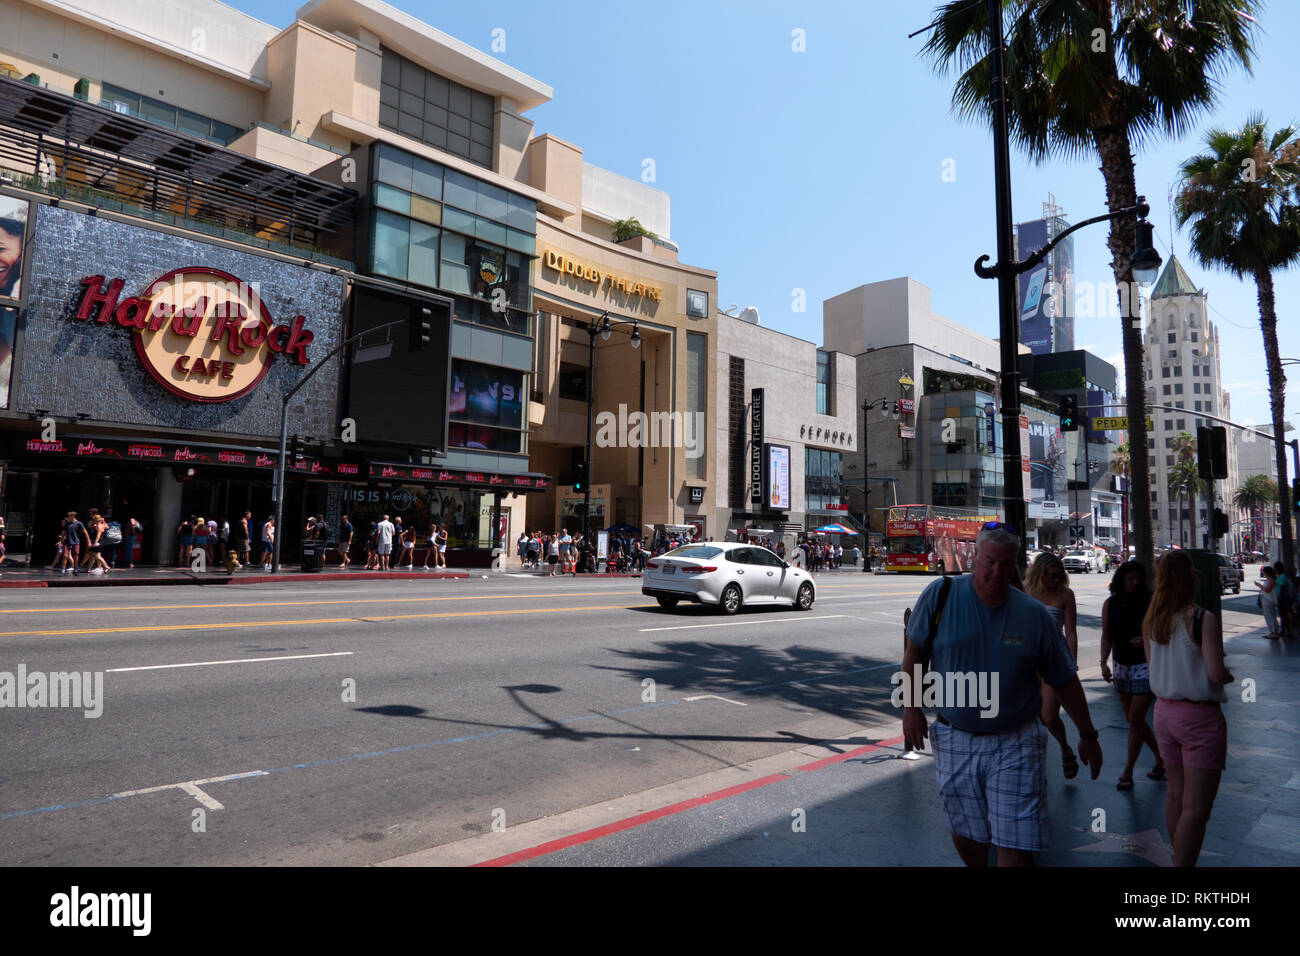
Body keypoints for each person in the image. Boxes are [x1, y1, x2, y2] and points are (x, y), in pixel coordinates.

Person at [901, 524, 1103, 866]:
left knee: (1015, 842)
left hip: (1016, 741)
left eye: (1005, 564)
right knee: (966, 832)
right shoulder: (940, 595)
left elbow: (1065, 679)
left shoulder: (1034, 616)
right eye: (990, 562)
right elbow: (915, 654)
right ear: (976, 558)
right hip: (955, 736)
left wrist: (1088, 734)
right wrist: (911, 708)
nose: (996, 572)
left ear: (1015, 567)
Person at [1143, 550, 1234, 867]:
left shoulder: (1152, 621)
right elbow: (1214, 673)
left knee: (1175, 796)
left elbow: (1154, 666)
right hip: (1199, 718)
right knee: (1197, 807)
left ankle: (1178, 858)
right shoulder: (1201, 619)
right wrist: (1226, 674)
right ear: (1189, 578)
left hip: (1164, 714)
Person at [1100, 561, 1165, 790]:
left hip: (1144, 666)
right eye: (1131, 579)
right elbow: (1107, 635)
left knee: (1136, 719)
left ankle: (1127, 772)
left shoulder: (1149, 604)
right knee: (1132, 720)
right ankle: (1161, 758)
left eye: (1139, 579)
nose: (1135, 583)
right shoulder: (1110, 604)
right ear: (1122, 580)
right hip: (1121, 665)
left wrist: (1146, 640)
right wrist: (1103, 662)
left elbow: (1159, 633)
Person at [1025, 552, 1082, 780]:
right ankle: (1035, 761)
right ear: (1040, 574)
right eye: (1052, 576)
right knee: (1031, 717)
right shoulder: (1025, 592)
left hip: (1054, 658)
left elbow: (1071, 632)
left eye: (1060, 576)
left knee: (1049, 716)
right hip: (1028, 659)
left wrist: (1072, 662)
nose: (1057, 580)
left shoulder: (1066, 595)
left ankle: (1065, 748)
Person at [1256, 566, 1281, 638]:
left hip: (1269, 600)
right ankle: (1272, 632)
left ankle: (1274, 633)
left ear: (1267, 572)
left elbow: (1267, 590)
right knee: (1268, 616)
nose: (1262, 573)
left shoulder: (1271, 580)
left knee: (1270, 616)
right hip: (1266, 600)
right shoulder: (1269, 579)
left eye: (1263, 571)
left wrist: (1259, 585)